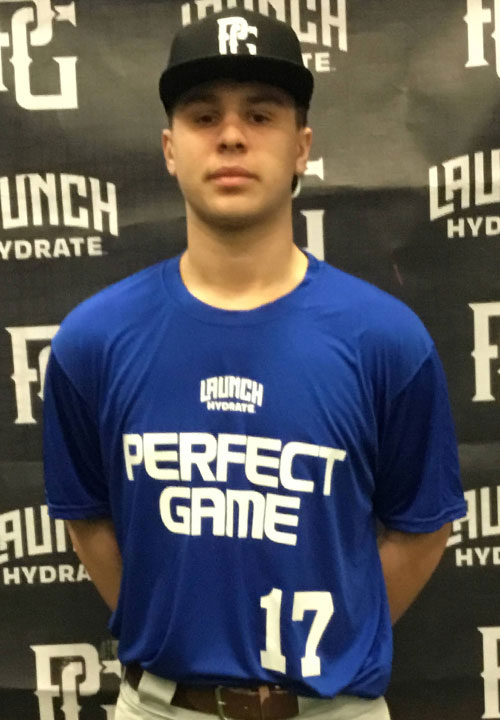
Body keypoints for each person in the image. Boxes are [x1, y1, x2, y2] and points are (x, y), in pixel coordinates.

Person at [42, 9, 467, 720]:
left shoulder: (386, 339)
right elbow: (88, 521)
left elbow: (420, 527)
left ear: (302, 147)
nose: (232, 135)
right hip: (159, 707)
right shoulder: (93, 339)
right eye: (203, 115)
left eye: (261, 114)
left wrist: (332, 645)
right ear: (170, 148)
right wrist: (177, 638)